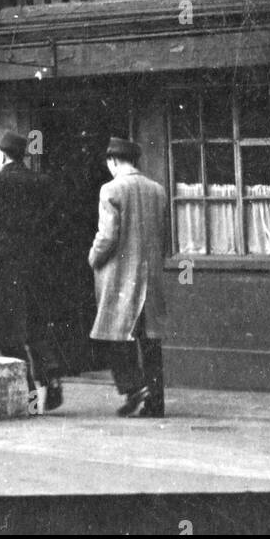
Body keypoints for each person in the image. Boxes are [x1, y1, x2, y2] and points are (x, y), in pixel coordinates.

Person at [0, 129, 63, 412]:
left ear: (2, 155)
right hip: (37, 265)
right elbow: (56, 221)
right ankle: (52, 375)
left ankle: (30, 396)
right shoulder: (42, 183)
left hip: (3, 267)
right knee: (36, 326)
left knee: (8, 334)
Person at [88, 136, 168, 418]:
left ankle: (134, 387)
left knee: (114, 333)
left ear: (113, 161)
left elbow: (107, 236)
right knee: (150, 340)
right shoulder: (157, 190)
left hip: (121, 276)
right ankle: (155, 402)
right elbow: (164, 237)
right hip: (151, 276)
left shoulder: (110, 190)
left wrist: (93, 257)